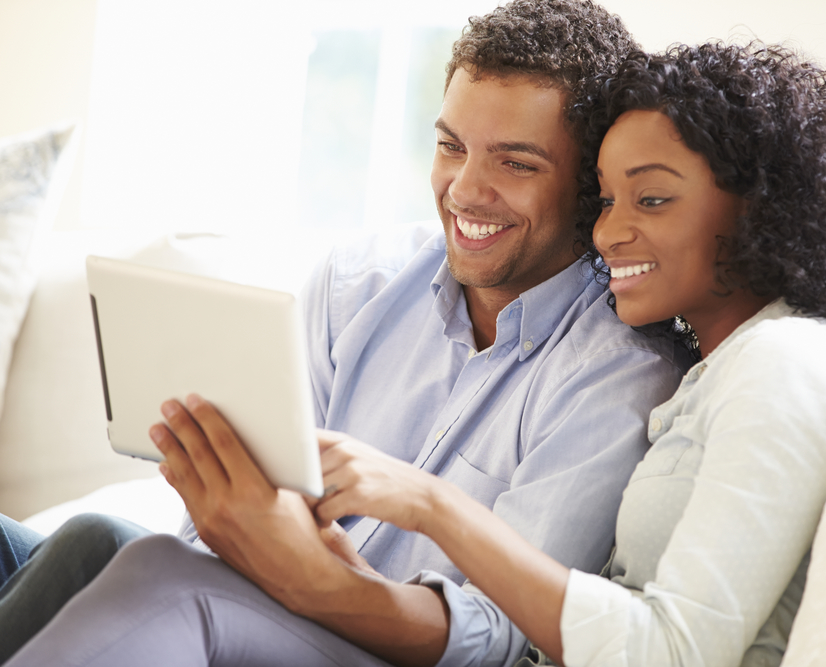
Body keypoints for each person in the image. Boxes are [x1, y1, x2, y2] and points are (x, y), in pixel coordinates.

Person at [0, 1, 690, 665]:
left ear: (589, 184)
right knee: (79, 539)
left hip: (384, 647)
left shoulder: (621, 371)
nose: (465, 189)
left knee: (145, 565)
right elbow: (240, 528)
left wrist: (320, 579)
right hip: (252, 601)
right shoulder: (359, 280)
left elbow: (499, 634)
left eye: (516, 163)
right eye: (451, 146)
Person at [264, 42, 826, 666]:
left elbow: (675, 651)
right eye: (605, 200)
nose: (607, 232)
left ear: (763, 207)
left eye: (651, 199)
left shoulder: (786, 364)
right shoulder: (718, 371)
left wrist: (431, 506)